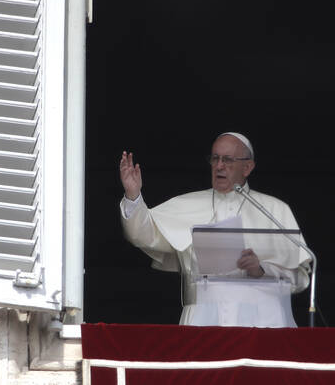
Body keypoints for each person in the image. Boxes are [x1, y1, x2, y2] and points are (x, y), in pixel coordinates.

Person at [119, 132, 311, 327]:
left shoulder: (275, 210)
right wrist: (133, 195)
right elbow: (142, 235)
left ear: (247, 167)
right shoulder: (188, 204)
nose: (219, 166)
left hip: (263, 322)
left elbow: (301, 279)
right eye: (215, 158)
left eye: (227, 160)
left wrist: (261, 270)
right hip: (201, 319)